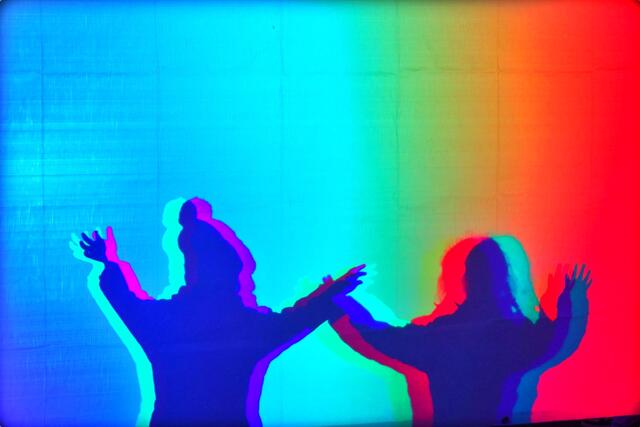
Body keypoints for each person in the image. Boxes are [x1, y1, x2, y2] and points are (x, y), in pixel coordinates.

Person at [74, 198, 365, 426]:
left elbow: (125, 301)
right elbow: (296, 319)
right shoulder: (248, 330)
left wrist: (107, 263)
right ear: (231, 276)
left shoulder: (164, 325)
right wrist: (329, 293)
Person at [331, 237, 590, 426]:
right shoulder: (513, 335)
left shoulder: (440, 335)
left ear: (463, 278)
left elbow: (380, 335)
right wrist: (565, 304)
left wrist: (340, 300)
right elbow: (548, 340)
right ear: (504, 278)